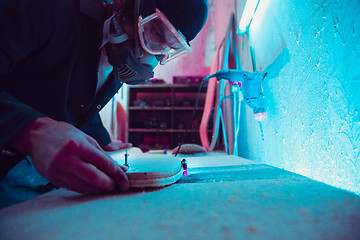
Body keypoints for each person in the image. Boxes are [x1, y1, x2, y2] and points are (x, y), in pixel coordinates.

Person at [0, 0, 208, 200]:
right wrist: (30, 131)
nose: (149, 54)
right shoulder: (46, 8)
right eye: (155, 31)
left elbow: (79, 102)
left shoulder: (114, 52)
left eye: (167, 47)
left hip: (41, 184)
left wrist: (102, 142)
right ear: (133, 4)